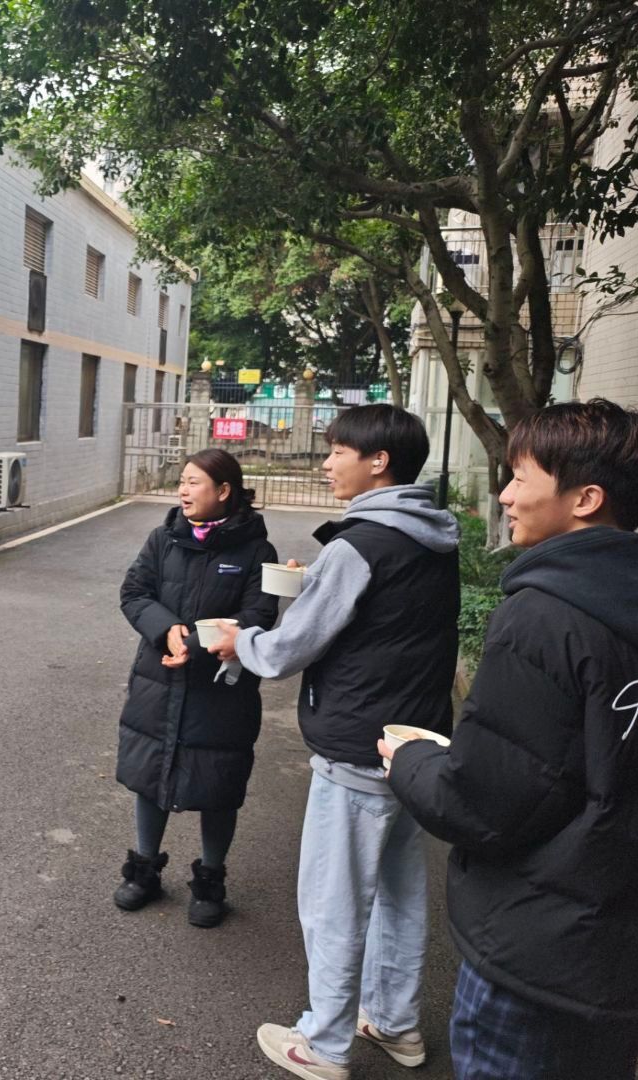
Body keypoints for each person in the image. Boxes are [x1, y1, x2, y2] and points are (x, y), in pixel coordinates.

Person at [383, 399, 638, 1080]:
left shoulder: (546, 616)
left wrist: (411, 760)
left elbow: (484, 803)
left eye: (519, 477)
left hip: (538, 948)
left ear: (586, 499)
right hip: (624, 945)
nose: (505, 495)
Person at [208, 404, 460, 1080]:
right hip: (411, 746)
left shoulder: (359, 545)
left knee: (334, 903)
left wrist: (241, 640)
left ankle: (324, 1044)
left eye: (338, 450)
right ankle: (396, 1023)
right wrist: (316, 584)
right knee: (400, 895)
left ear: (379, 461)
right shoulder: (434, 536)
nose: (326, 462)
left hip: (354, 748)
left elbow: (288, 649)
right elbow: (384, 625)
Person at [114, 449, 279, 927]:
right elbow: (134, 593)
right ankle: (144, 869)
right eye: (182, 481)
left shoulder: (256, 551)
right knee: (151, 773)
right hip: (159, 678)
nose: (182, 491)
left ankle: (210, 879)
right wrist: (165, 629)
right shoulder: (163, 538)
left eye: (193, 482)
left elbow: (259, 615)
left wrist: (197, 646)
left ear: (224, 491)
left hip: (221, 689)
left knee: (218, 782)